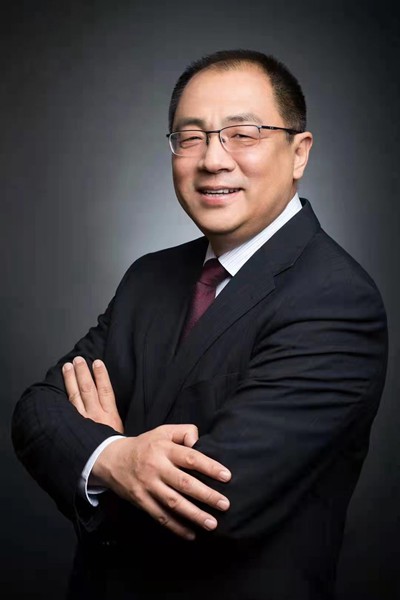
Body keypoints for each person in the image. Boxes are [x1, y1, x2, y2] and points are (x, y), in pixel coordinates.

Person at [12, 49, 388, 599]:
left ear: (299, 152)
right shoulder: (149, 278)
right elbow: (36, 412)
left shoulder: (336, 301)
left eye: (243, 134)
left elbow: (213, 505)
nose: (213, 159)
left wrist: (98, 459)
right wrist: (116, 456)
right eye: (190, 137)